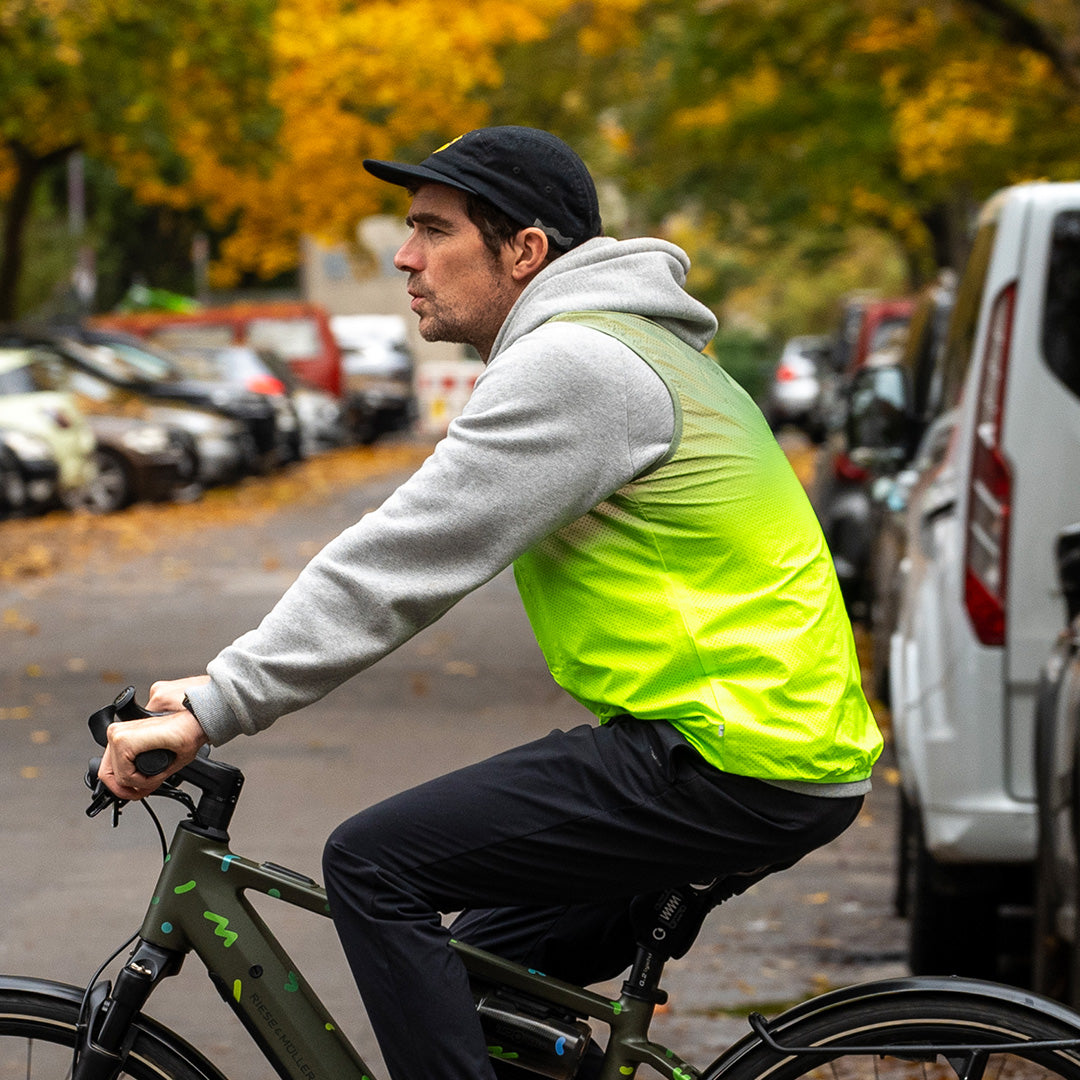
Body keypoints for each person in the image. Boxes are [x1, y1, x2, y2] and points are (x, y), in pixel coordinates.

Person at [98, 126, 882, 1080]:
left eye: (434, 229)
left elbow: (405, 556)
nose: (404, 256)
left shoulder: (581, 365)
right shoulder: (628, 348)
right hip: (760, 748)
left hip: (729, 756)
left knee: (374, 867)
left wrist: (217, 701)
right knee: (486, 973)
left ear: (525, 250)